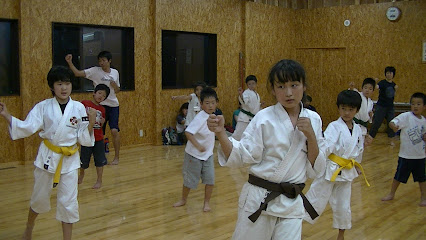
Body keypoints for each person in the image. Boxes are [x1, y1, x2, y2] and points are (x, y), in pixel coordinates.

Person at [207, 59, 326, 240]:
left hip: (291, 203)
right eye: (281, 86)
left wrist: (311, 136)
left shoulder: (314, 120)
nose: (288, 93)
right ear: (272, 89)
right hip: (259, 200)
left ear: (304, 86)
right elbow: (241, 155)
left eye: (294, 85)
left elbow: (316, 168)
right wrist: (221, 133)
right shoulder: (264, 118)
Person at [0, 66, 96, 240]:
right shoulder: (43, 107)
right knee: (39, 198)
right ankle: (29, 228)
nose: (64, 88)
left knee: (68, 203)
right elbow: (27, 127)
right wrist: (7, 115)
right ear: (52, 86)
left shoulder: (79, 108)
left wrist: (91, 122)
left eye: (67, 83)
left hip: (70, 159)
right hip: (48, 157)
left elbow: (83, 138)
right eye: (60, 84)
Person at [304, 90, 370, 240]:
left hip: (346, 172)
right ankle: (293, 227)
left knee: (343, 206)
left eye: (351, 109)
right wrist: (315, 162)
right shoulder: (334, 126)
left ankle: (341, 235)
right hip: (330, 171)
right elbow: (326, 146)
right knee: (314, 199)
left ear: (357, 111)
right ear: (338, 108)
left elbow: (359, 149)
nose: (346, 113)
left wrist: (356, 165)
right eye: (343, 108)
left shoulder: (358, 129)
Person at [65, 51, 121, 165]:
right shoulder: (95, 71)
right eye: (100, 60)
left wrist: (114, 85)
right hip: (101, 105)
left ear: (109, 61)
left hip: (113, 105)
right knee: (98, 132)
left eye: (104, 60)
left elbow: (118, 90)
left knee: (114, 130)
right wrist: (70, 62)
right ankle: (98, 157)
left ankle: (116, 157)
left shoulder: (115, 72)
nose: (101, 63)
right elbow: (77, 73)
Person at [173, 87, 218, 212]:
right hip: (193, 154)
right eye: (207, 103)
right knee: (190, 180)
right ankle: (183, 199)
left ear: (216, 103)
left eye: (213, 103)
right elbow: (188, 133)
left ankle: (206, 203)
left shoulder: (215, 116)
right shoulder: (200, 117)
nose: (210, 106)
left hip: (207, 155)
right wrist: (198, 146)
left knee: (210, 180)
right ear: (201, 104)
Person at [381, 92, 426, 207]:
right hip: (406, 156)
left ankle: (423, 197)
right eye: (413, 104)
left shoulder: (424, 121)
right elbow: (393, 122)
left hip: (420, 156)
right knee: (398, 177)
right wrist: (393, 126)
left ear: (424, 107)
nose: (415, 106)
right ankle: (391, 194)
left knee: (422, 178)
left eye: (419, 104)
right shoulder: (406, 116)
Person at [79, 84, 110, 189]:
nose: (101, 96)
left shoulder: (102, 109)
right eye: (100, 93)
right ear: (94, 93)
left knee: (99, 160)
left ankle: (99, 180)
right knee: (83, 160)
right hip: (87, 137)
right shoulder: (85, 104)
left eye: (104, 96)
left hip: (99, 138)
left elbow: (102, 123)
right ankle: (81, 175)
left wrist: (102, 121)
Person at [369, 66, 398, 145]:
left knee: (391, 123)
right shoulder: (382, 83)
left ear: (393, 74)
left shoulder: (394, 85)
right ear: (385, 74)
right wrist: (374, 82)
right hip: (381, 106)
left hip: (390, 107)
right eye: (387, 73)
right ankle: (370, 139)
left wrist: (396, 89)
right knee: (376, 123)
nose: (389, 74)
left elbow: (393, 95)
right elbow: (376, 87)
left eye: (390, 73)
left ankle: (391, 140)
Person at [232, 75, 262, 140]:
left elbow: (255, 106)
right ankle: (228, 147)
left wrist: (260, 105)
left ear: (256, 84)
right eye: (249, 84)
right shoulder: (246, 92)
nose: (251, 85)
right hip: (244, 118)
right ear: (247, 85)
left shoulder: (257, 94)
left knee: (248, 135)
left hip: (252, 118)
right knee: (238, 134)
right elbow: (244, 102)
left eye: (253, 83)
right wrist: (241, 95)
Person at [349, 78, 376, 146]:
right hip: (355, 124)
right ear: (362, 88)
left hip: (363, 127)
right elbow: (353, 93)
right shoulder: (359, 96)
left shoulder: (370, 102)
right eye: (365, 88)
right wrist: (351, 88)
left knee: (361, 146)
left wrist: (371, 116)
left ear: (372, 91)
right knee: (353, 144)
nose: (367, 90)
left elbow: (369, 117)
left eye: (370, 89)